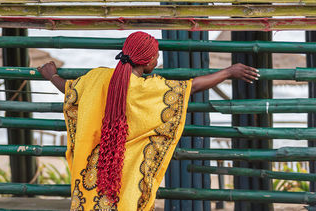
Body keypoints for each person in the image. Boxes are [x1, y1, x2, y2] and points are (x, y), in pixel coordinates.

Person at [38, 31, 259, 211]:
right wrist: (229, 71)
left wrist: (51, 76)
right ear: (147, 61)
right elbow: (192, 86)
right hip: (128, 171)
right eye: (156, 57)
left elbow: (70, 91)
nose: (157, 60)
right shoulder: (149, 88)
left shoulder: (96, 77)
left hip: (93, 170)